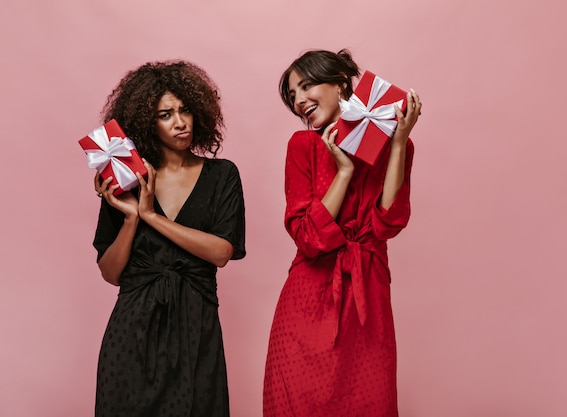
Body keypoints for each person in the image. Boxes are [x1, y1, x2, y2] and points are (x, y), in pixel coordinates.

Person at [263, 49, 422, 417]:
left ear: (339, 84)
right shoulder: (302, 145)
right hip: (309, 295)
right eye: (292, 95)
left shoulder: (395, 147)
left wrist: (398, 142)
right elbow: (307, 236)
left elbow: (388, 222)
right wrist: (344, 171)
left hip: (368, 292)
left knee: (370, 403)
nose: (299, 100)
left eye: (306, 86)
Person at [91, 60, 246, 417]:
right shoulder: (128, 181)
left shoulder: (222, 175)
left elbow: (221, 251)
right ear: (147, 122)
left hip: (197, 327)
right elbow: (112, 273)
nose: (180, 122)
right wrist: (131, 219)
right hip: (132, 331)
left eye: (185, 110)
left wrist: (151, 217)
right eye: (165, 114)